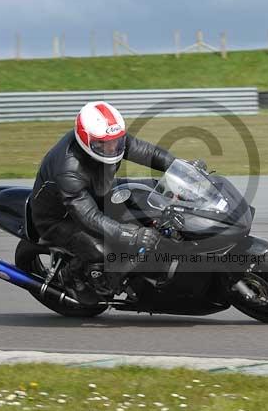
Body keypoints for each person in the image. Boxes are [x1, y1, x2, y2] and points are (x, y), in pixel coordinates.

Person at [29, 101, 176, 304]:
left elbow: (147, 152)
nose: (112, 148)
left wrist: (178, 166)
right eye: (103, 144)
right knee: (103, 252)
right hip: (60, 217)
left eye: (116, 141)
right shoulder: (69, 168)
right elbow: (88, 217)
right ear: (85, 140)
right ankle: (71, 277)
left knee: (148, 195)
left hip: (96, 192)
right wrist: (131, 234)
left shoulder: (112, 140)